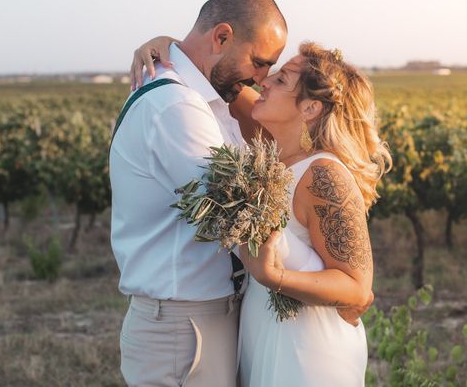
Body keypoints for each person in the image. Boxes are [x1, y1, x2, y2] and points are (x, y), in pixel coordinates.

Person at [130, 38, 390, 386]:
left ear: (310, 108)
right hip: (263, 331)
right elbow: (218, 76)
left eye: (280, 80)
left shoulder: (323, 173)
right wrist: (171, 44)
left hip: (308, 349)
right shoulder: (272, 153)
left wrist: (273, 276)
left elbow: (358, 289)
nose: (263, 81)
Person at [110, 0, 286, 386]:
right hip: (184, 326)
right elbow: (243, 213)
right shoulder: (176, 107)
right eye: (259, 63)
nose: (260, 80)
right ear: (221, 37)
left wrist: (170, 44)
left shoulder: (201, 98)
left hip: (194, 318)